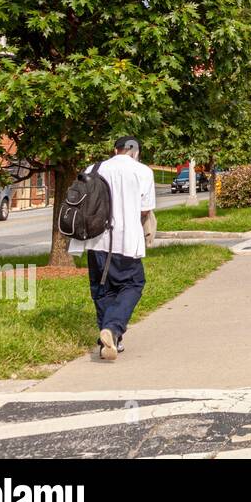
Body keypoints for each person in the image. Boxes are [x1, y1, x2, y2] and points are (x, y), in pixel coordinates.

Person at [69, 136, 156, 362]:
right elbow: (145, 210)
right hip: (125, 241)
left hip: (95, 240)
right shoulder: (143, 172)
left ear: (114, 150)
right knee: (133, 284)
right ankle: (113, 328)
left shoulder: (93, 168)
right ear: (135, 151)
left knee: (102, 289)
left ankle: (109, 341)